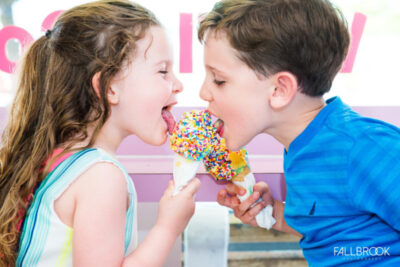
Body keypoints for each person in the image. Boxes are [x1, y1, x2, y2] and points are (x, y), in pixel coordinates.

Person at [198, 0, 400, 265]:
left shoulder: (363, 147)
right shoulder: (301, 149)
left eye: (219, 80)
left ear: (280, 90)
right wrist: (273, 213)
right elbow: (333, 231)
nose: (203, 92)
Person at [0, 0, 200, 266]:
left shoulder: (55, 159)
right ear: (109, 87)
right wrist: (167, 229)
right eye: (163, 71)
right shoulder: (101, 176)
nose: (178, 84)